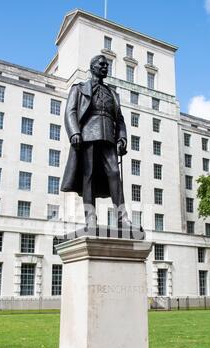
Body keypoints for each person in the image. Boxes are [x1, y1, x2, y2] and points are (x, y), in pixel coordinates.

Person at [61, 54, 132, 229]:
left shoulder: (112, 94)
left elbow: (120, 120)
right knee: (89, 176)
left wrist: (122, 137)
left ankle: (122, 219)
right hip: (87, 136)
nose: (105, 67)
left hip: (108, 138)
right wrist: (74, 133)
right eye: (101, 64)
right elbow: (70, 112)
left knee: (115, 174)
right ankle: (90, 218)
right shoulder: (79, 88)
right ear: (92, 67)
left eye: (107, 65)